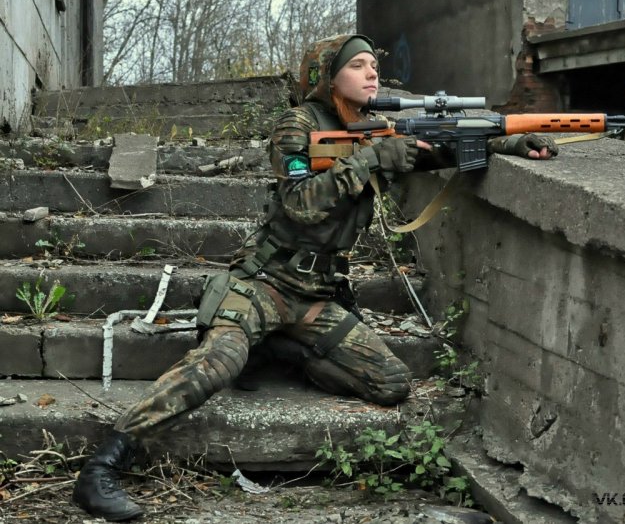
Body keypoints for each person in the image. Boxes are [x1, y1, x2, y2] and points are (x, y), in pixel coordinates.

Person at [71, 33, 558, 521]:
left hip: (316, 296)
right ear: (327, 77)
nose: (372, 73)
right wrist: (370, 159)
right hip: (264, 283)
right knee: (219, 363)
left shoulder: (381, 127)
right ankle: (102, 467)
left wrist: (510, 138)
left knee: (391, 384)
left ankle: (280, 347)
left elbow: (442, 150)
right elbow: (300, 203)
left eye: (374, 66)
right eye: (359, 65)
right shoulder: (297, 126)